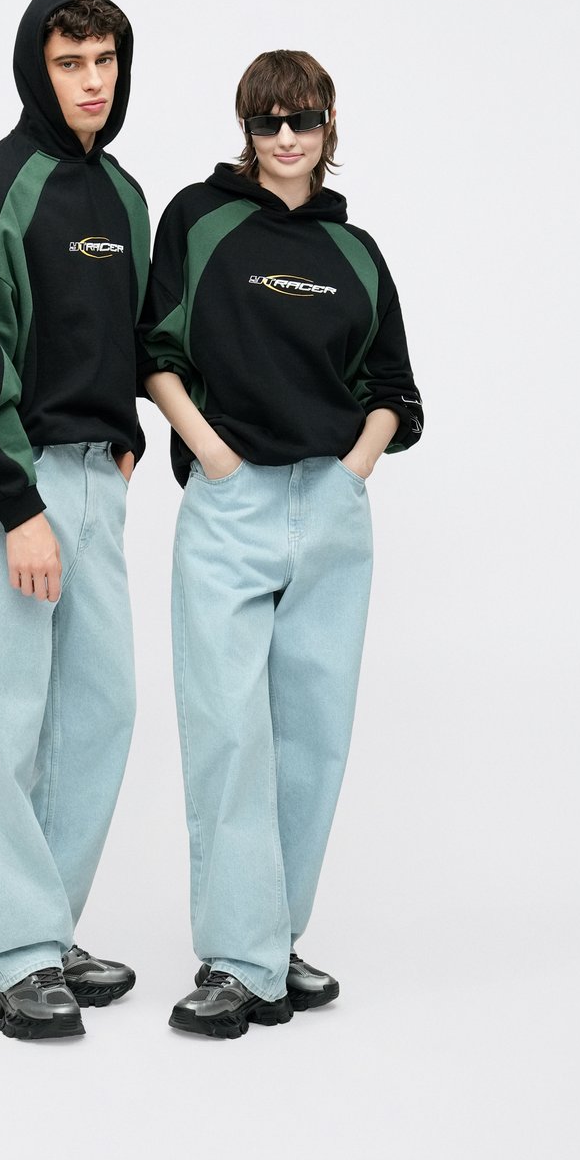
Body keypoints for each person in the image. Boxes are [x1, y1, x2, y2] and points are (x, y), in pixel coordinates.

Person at [139, 50, 423, 1039]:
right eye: (268, 122)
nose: (286, 138)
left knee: (311, 739)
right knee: (228, 732)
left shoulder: (357, 251)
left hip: (332, 509)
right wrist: (214, 454)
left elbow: (394, 387)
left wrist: (353, 470)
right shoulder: (200, 219)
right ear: (247, 129)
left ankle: (272, 940)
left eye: (302, 120)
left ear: (328, 126)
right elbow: (155, 352)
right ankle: (237, 959)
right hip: (233, 503)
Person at [0, 0, 149, 1041]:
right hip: (6, 478)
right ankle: (11, 951)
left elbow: (133, 335)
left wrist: (126, 442)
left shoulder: (127, 198)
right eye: (71, 63)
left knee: (100, 710)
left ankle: (46, 930)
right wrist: (15, 502)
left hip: (95, 480)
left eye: (104, 61)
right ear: (37, 69)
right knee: (3, 714)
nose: (91, 82)